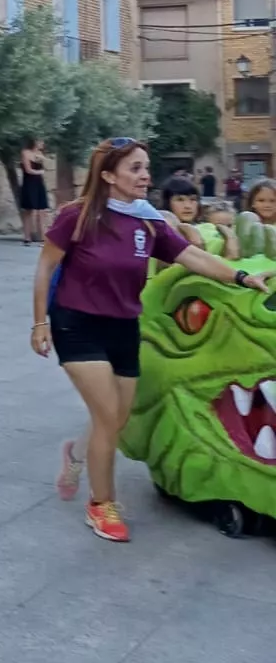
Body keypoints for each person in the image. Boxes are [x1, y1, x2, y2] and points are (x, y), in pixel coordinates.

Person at [32, 136, 272, 543]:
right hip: (78, 326)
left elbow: (191, 257)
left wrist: (242, 277)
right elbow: (45, 268)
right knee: (109, 416)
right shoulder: (79, 216)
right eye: (135, 169)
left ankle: (77, 452)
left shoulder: (146, 220)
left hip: (125, 326)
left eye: (146, 167)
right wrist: (40, 324)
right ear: (108, 175)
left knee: (118, 420)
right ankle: (102, 505)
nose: (145, 176)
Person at [19, 138, 49, 244]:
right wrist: (40, 172)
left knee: (42, 210)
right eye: (41, 141)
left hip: (39, 183)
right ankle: (27, 238)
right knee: (29, 211)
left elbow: (43, 167)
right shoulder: (25, 153)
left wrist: (41, 159)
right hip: (29, 183)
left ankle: (43, 238)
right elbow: (28, 170)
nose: (43, 143)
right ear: (34, 142)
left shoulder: (39, 153)